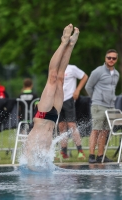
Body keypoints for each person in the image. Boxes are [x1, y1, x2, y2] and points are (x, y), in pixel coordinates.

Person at [25, 24, 80, 165]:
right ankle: (71, 44)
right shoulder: (43, 156)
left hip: (42, 116)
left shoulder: (30, 150)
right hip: (53, 117)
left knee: (53, 77)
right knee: (60, 79)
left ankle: (64, 42)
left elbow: (27, 161)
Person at [85, 49, 119, 163]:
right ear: (105, 58)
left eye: (114, 58)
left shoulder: (117, 73)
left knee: (105, 131)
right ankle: (91, 155)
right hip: (99, 105)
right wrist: (95, 98)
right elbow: (88, 87)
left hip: (110, 107)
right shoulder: (98, 71)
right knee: (96, 130)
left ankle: (100, 156)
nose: (111, 60)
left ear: (116, 60)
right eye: (109, 57)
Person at [58, 64, 88, 159]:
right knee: (61, 126)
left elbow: (84, 76)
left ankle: (80, 151)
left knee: (71, 125)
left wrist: (77, 90)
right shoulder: (56, 68)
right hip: (59, 99)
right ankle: (64, 152)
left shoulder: (72, 68)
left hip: (69, 99)